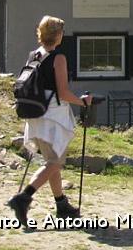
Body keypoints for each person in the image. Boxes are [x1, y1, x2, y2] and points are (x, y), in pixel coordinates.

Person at [8, 16, 92, 223]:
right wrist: (83, 102)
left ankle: (61, 204)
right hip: (52, 117)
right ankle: (24, 197)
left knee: (51, 162)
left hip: (34, 115)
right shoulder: (58, 58)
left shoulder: (34, 55)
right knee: (55, 163)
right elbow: (63, 93)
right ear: (58, 35)